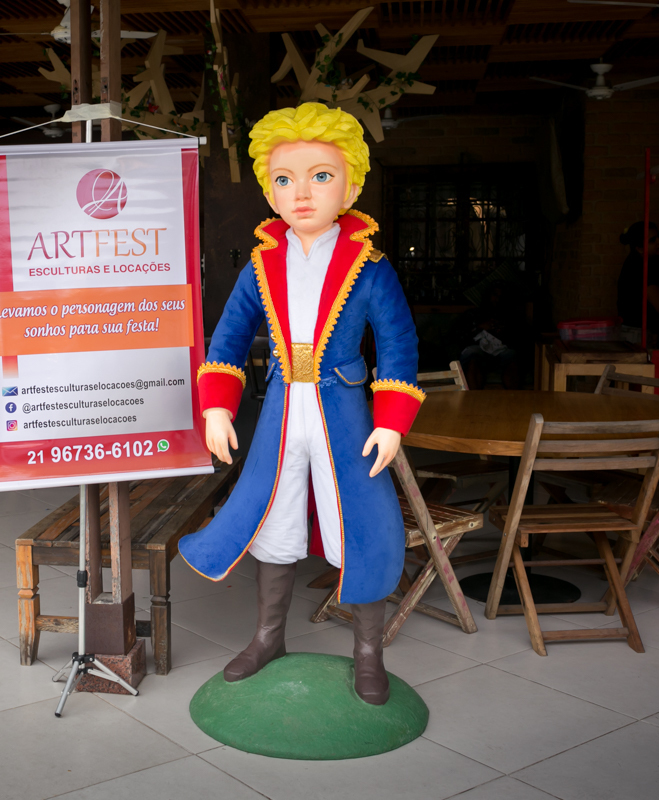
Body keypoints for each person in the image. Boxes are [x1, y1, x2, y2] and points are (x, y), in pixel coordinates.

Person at [178, 103, 423, 704]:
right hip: (282, 413)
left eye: (321, 176)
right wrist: (216, 406)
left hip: (347, 417)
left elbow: (398, 343)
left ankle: (369, 651)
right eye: (285, 180)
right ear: (268, 190)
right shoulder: (261, 264)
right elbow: (228, 338)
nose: (302, 193)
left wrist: (391, 422)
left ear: (353, 185)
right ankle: (267, 637)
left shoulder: (371, 265)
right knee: (274, 518)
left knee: (358, 525)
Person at [616, 221, 659, 346]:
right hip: (640, 337)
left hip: (635, 334)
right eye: (652, 240)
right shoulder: (641, 267)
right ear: (639, 248)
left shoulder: (641, 262)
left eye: (658, 236)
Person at [459, 283, 524, 390]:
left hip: (502, 351)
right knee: (472, 360)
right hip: (477, 351)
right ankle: (474, 401)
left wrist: (503, 331)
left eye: (501, 296)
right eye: (494, 295)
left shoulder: (512, 316)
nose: (497, 299)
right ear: (488, 296)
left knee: (513, 360)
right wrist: (480, 327)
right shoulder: (473, 314)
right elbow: (460, 336)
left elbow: (520, 339)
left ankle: (513, 402)